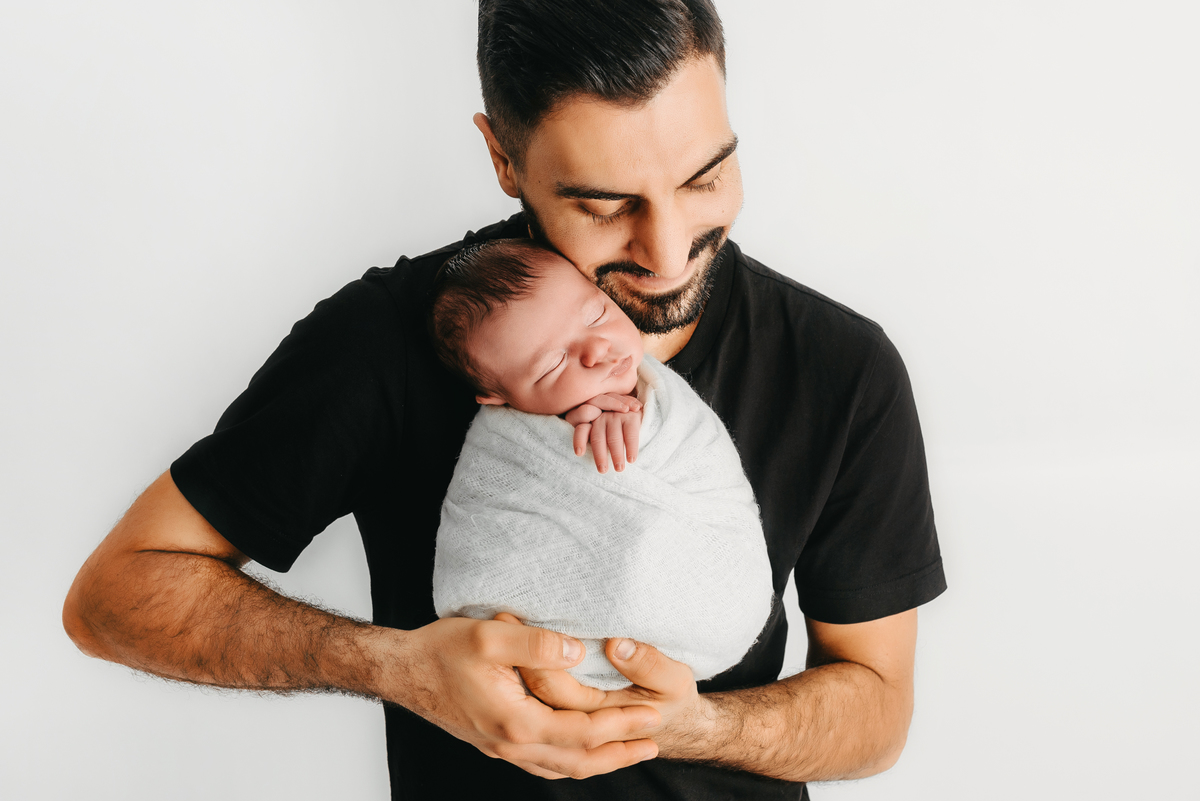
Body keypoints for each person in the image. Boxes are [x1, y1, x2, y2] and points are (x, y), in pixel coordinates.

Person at [63, 1, 946, 798]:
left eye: (703, 177)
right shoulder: (388, 339)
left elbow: (877, 708)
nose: (670, 252)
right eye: (606, 206)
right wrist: (395, 666)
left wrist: (693, 726)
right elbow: (113, 595)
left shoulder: (842, 366)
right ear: (502, 157)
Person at [428, 238, 775, 691]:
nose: (596, 350)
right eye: (554, 364)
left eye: (596, 314)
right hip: (537, 663)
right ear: (499, 399)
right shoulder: (504, 449)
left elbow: (701, 466)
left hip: (712, 614)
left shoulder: (666, 405)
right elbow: (486, 555)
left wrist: (640, 424)